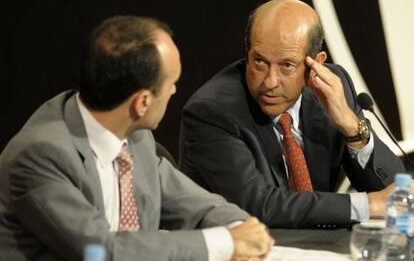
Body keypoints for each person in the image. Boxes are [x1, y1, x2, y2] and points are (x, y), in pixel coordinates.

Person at [0, 16, 274, 261]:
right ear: (141, 102)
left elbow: (197, 204)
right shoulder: (40, 154)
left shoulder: (136, 137)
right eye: (171, 83)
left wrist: (240, 229)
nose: (174, 90)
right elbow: (98, 251)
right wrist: (224, 243)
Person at [179, 0, 406, 229]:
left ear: (316, 64)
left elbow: (394, 192)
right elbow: (257, 205)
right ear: (247, 52)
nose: (270, 81)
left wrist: (351, 126)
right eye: (259, 61)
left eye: (286, 65)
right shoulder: (212, 111)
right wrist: (367, 205)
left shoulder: (332, 88)